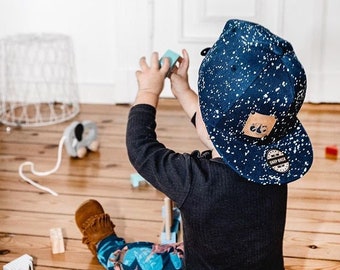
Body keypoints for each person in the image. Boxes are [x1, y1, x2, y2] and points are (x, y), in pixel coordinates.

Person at [75, 19, 313, 269]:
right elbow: (220, 129)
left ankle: (106, 246)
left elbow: (140, 149)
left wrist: (148, 92)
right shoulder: (274, 167)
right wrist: (183, 91)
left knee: (147, 257)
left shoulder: (194, 179)